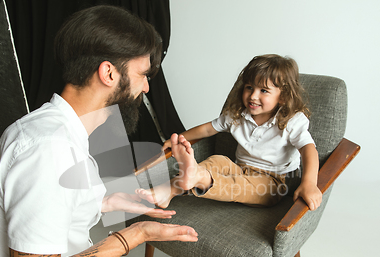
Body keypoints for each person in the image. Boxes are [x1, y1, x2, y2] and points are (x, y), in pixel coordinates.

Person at [0, 5, 198, 257]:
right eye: (142, 76)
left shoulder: (67, 130)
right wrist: (134, 235)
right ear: (109, 73)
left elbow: (67, 196)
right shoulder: (46, 150)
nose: (146, 89)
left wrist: (174, 183)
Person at [137, 54, 323, 211]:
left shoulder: (291, 120)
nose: (253, 96)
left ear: (282, 97)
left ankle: (200, 177)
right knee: (218, 161)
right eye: (249, 87)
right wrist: (177, 139)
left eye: (264, 90)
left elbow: (309, 150)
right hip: (240, 167)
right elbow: (208, 129)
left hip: (274, 181)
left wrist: (309, 183)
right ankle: (170, 190)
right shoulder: (238, 115)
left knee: (239, 187)